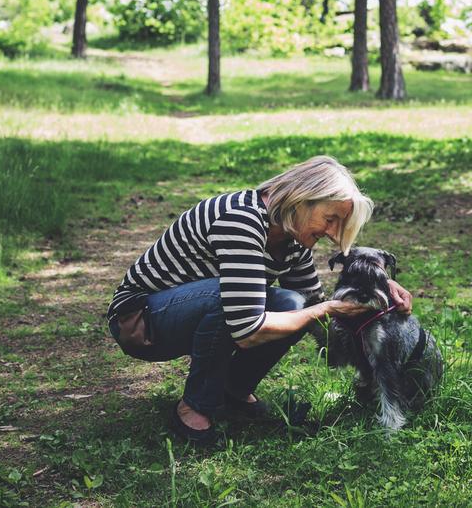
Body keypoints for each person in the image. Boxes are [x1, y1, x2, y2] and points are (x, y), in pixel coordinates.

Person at [106, 155, 412, 443]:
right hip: (140, 322)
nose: (334, 235)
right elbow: (247, 328)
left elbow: (314, 305)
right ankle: (195, 406)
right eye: (330, 220)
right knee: (229, 299)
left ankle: (233, 391)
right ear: (303, 199)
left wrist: (378, 286)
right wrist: (326, 307)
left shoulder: (294, 238)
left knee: (295, 304)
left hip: (192, 312)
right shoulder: (242, 219)